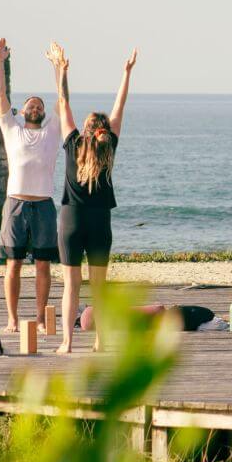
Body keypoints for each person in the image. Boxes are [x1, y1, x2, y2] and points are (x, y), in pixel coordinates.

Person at [45, 42, 137, 354]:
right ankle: (100, 340)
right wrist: (126, 74)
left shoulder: (73, 143)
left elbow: (62, 101)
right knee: (99, 286)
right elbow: (119, 107)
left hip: (71, 219)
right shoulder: (108, 146)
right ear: (104, 131)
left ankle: (67, 343)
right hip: (100, 222)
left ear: (86, 129)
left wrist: (61, 70)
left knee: (71, 285)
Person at [0, 38, 62, 333]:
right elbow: (0, 95)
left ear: (43, 113)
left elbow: (62, 99)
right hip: (16, 203)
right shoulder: (12, 130)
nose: (35, 106)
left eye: (39, 105)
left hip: (44, 204)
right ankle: (12, 318)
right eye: (30, 104)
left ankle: (39, 317)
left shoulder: (52, 132)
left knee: (44, 265)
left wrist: (58, 67)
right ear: (22, 111)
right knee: (14, 265)